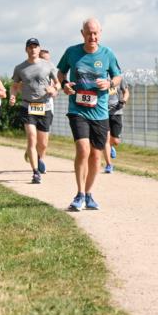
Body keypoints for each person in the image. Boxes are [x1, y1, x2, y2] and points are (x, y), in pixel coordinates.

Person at [56, 17, 122, 211]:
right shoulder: (72, 52)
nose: (92, 37)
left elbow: (118, 76)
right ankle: (79, 194)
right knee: (83, 149)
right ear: (82, 33)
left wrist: (109, 83)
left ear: (100, 33)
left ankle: (89, 193)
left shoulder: (107, 54)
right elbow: (60, 73)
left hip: (100, 112)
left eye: (95, 33)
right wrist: (64, 85)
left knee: (95, 156)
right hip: (78, 110)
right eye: (88, 33)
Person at [10, 38, 58, 184]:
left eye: (35, 47)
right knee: (32, 137)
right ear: (26, 49)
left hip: (45, 106)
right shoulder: (20, 68)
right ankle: (35, 172)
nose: (33, 49)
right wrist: (13, 95)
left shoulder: (48, 65)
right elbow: (14, 85)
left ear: (39, 49)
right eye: (30, 47)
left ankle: (38, 156)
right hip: (28, 106)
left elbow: (58, 83)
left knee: (43, 144)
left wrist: (54, 89)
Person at [103, 79, 129, 173]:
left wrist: (123, 101)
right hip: (102, 112)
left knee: (115, 141)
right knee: (106, 139)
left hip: (116, 112)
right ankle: (109, 165)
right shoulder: (100, 76)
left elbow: (126, 92)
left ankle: (110, 146)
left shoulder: (119, 78)